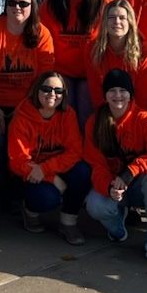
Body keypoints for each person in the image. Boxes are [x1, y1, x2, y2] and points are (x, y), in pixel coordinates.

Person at [84, 69, 147, 259]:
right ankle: (116, 225)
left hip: (139, 186)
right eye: (112, 90)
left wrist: (132, 170)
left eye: (123, 90)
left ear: (130, 94)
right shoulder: (95, 122)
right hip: (115, 187)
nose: (117, 95)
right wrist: (108, 187)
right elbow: (96, 164)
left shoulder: (143, 119)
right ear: (105, 95)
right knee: (94, 204)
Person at [7, 72, 90, 245]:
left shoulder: (68, 114)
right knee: (46, 198)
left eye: (58, 91)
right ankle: (30, 212)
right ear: (37, 90)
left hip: (50, 169)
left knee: (82, 171)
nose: (52, 94)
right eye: (46, 89)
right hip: (31, 174)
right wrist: (51, 178)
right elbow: (17, 161)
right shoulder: (23, 116)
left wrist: (46, 169)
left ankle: (68, 223)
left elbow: (75, 151)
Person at [41, 0, 112, 122]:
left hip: (91, 71)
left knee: (87, 115)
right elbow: (41, 37)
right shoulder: (52, 2)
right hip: (61, 71)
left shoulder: (103, 1)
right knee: (65, 114)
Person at [85, 0, 147, 118]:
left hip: (139, 106)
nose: (117, 22)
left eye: (122, 18)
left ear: (130, 21)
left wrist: (127, 121)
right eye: (111, 18)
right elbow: (96, 92)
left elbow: (143, 96)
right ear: (104, 22)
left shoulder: (144, 52)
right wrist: (106, 117)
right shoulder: (93, 49)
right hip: (108, 104)